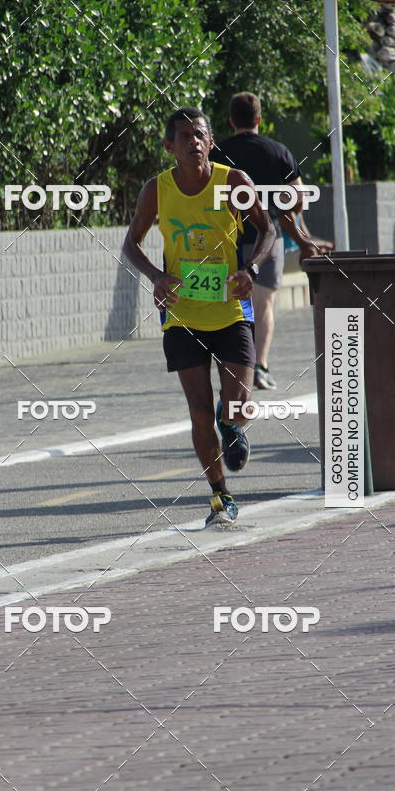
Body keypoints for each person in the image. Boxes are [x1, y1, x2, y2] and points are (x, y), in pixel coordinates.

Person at [122, 107, 275, 525]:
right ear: (170, 146)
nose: (193, 141)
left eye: (200, 135)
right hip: (182, 316)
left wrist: (252, 269)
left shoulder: (233, 182)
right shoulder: (157, 190)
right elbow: (130, 243)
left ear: (211, 142)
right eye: (184, 136)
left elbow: (267, 229)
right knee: (199, 411)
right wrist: (156, 276)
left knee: (239, 404)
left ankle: (233, 427)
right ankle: (220, 498)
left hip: (229, 310)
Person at [210, 91, 322, 390]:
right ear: (259, 119)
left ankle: (232, 367)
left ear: (231, 120)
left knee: (229, 305)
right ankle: (259, 366)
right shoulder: (278, 151)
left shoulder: (216, 152)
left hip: (226, 239)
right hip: (266, 238)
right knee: (263, 305)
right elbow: (298, 199)